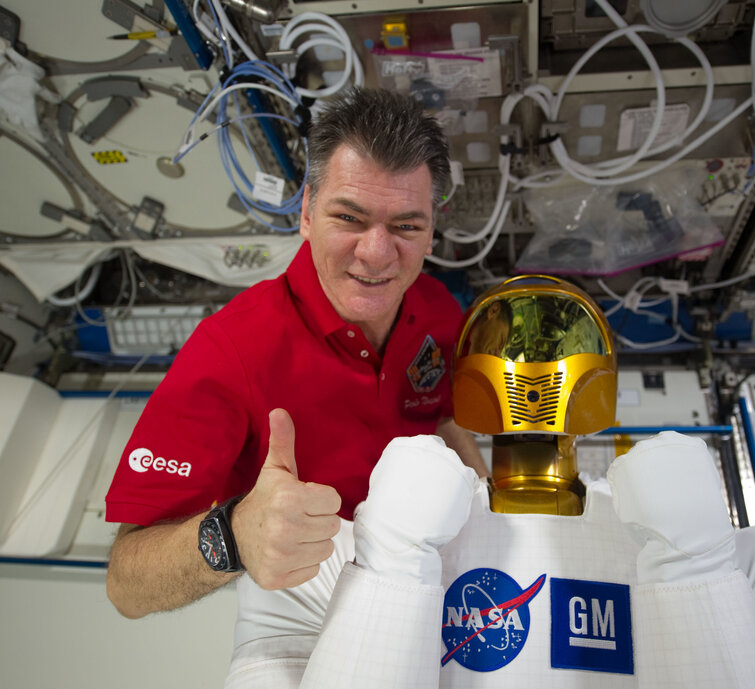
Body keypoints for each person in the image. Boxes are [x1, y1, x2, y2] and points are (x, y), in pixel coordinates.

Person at [223, 277, 755, 689]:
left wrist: (698, 564)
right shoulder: (337, 564)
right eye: (514, 349)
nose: (534, 370)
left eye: (554, 347)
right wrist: (389, 563)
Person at [103, 87, 488, 620]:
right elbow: (126, 583)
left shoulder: (437, 306)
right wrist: (234, 534)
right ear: (307, 213)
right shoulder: (229, 350)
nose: (377, 253)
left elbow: (440, 413)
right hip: (314, 601)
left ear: (430, 232)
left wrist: (485, 505)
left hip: (438, 574)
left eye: (405, 225)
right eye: (349, 218)